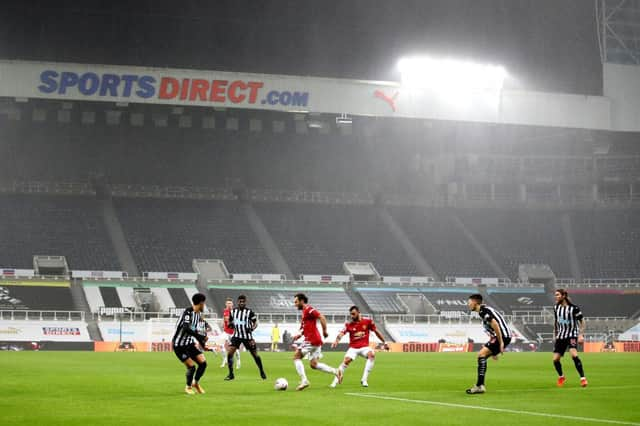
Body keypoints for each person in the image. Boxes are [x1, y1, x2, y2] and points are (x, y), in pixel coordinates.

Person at [291, 293, 342, 391]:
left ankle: (304, 380)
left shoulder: (309, 309)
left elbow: (321, 317)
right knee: (313, 364)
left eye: (296, 302)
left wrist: (325, 331)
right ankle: (336, 371)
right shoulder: (304, 313)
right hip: (316, 341)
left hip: (311, 339)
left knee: (296, 356)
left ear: (302, 301)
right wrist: (299, 335)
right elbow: (304, 327)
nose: (295, 304)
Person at [330, 306, 388, 388]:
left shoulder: (367, 321)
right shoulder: (349, 324)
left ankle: (364, 380)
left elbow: (376, 332)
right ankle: (334, 382)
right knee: (346, 361)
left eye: (353, 314)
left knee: (372, 355)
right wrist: (336, 341)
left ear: (358, 313)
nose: (352, 316)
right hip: (353, 348)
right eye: (351, 314)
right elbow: (341, 333)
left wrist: (384, 342)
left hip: (364, 347)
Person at [465, 294, 511, 394]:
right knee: (482, 356)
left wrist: (501, 343)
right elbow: (492, 327)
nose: (468, 305)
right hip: (501, 336)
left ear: (475, 302)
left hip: (502, 336)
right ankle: (480, 385)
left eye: (469, 303)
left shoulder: (483, 311)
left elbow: (495, 324)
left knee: (481, 355)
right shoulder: (484, 310)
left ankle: (480, 386)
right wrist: (494, 351)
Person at [172, 293, 209, 395]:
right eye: (204, 303)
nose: (204, 306)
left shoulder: (198, 315)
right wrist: (200, 337)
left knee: (203, 364)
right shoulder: (188, 312)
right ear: (201, 303)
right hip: (179, 346)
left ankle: (195, 383)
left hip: (189, 343)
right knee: (192, 367)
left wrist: (203, 344)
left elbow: (195, 332)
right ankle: (188, 387)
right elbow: (186, 328)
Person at [224, 295, 267, 381]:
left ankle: (262, 371)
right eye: (240, 301)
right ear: (238, 302)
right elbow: (230, 321)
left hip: (247, 337)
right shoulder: (233, 311)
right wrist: (230, 324)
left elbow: (255, 323)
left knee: (255, 355)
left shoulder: (249, 312)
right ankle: (231, 374)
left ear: (245, 302)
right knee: (229, 354)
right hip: (236, 336)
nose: (242, 303)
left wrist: (251, 328)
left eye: (243, 301)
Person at [553, 288, 588, 387]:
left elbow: (582, 321)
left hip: (572, 335)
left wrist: (581, 335)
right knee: (555, 359)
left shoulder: (574, 308)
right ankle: (561, 377)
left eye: (557, 295)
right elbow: (556, 321)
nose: (556, 297)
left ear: (563, 296)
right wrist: (555, 334)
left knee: (573, 354)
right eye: (555, 295)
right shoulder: (556, 308)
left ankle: (583, 379)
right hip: (561, 336)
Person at [220, 298, 240, 369]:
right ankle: (225, 360)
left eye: (230, 303)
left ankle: (238, 361)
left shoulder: (235, 311)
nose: (229, 304)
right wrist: (223, 323)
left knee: (235, 349)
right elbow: (225, 319)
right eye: (227, 303)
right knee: (221, 346)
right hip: (226, 332)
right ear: (226, 304)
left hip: (233, 333)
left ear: (232, 304)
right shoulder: (225, 311)